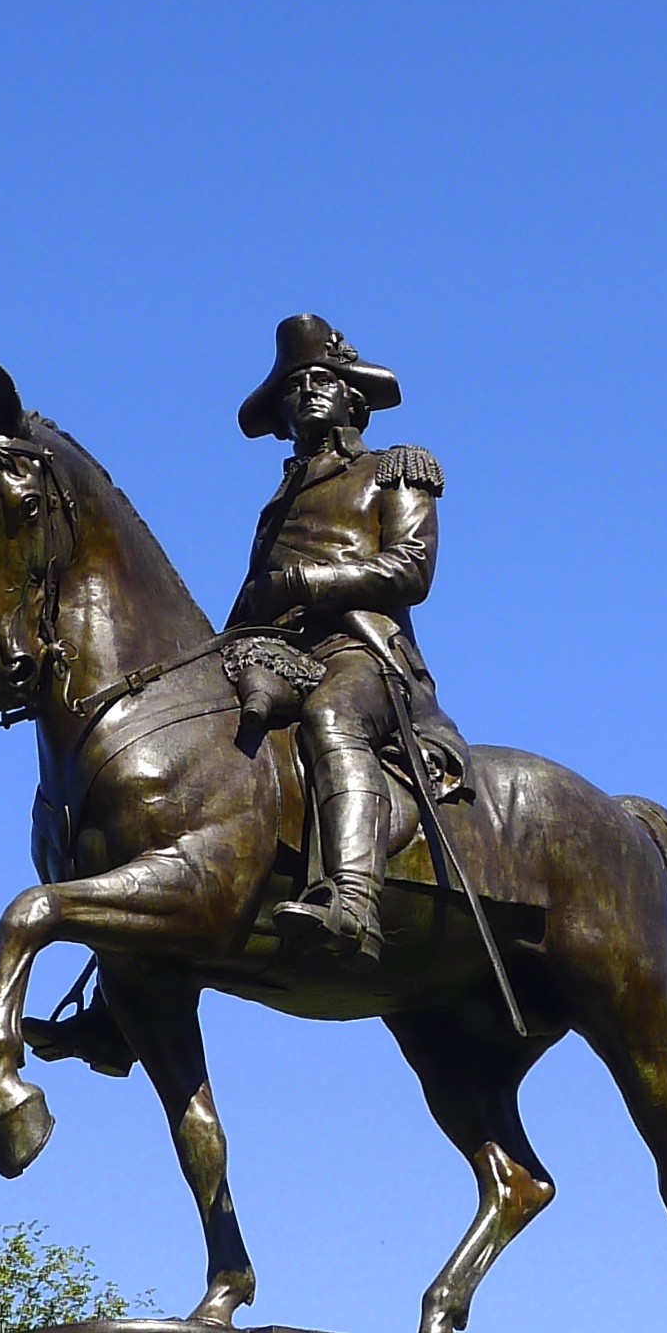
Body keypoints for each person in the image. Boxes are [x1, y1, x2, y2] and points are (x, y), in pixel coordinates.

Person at [226, 315, 458, 962]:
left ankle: (353, 904)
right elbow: (251, 600)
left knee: (333, 714)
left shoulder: (395, 469)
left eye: (321, 380)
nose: (306, 392)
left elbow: (411, 570)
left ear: (353, 396)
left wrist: (307, 580)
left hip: (365, 656)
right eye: (293, 386)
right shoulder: (276, 507)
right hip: (279, 657)